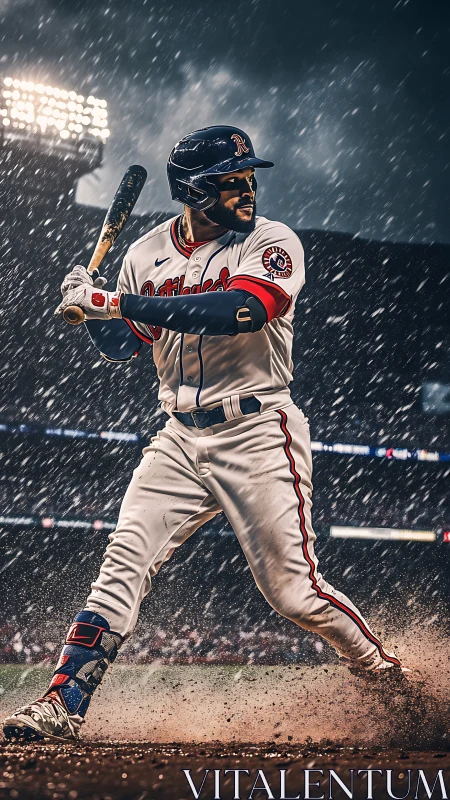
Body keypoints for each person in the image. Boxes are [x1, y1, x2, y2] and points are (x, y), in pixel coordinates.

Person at [3, 125, 406, 743]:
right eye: (232, 181)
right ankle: (63, 704)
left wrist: (118, 303)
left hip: (257, 430)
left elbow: (237, 311)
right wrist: (88, 308)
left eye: (249, 178)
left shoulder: (273, 242)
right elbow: (122, 345)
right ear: (193, 190)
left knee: (292, 593)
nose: (248, 190)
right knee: (122, 560)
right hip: (178, 437)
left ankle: (387, 675)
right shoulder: (143, 254)